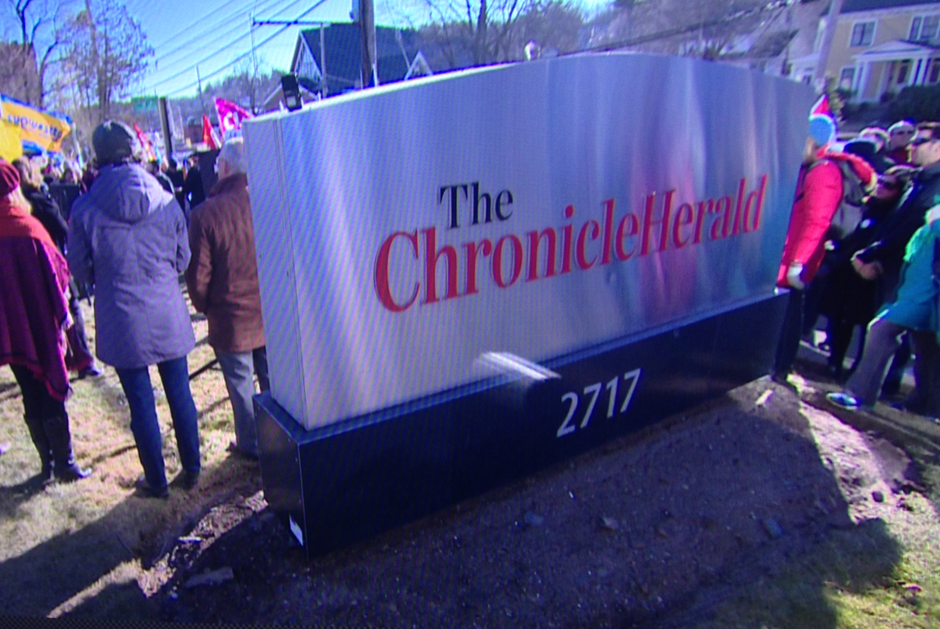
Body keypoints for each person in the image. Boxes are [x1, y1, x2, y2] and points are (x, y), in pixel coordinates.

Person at [67, 120, 201, 499]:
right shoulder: (165, 198)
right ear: (133, 153)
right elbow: (183, 257)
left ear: (98, 157)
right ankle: (192, 467)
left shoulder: (84, 208)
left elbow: (79, 269)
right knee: (180, 392)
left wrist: (103, 277)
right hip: (166, 310)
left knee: (140, 402)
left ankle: (156, 480)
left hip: (121, 315)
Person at [0, 159, 91, 482]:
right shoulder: (30, 229)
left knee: (28, 389)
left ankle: (47, 465)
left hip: (10, 333)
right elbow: (58, 277)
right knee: (49, 387)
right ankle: (64, 464)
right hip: (40, 325)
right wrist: (64, 320)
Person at [772, 114, 875, 384]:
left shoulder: (823, 171)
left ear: (811, 141)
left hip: (796, 257)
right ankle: (776, 363)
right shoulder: (810, 167)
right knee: (786, 309)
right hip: (789, 253)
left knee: (790, 310)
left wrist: (798, 263)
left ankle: (780, 366)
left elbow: (817, 221)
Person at [185, 138, 268, 459]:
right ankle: (281, 440)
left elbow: (198, 276)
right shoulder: (267, 200)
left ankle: (251, 444)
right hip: (268, 312)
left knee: (241, 387)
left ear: (224, 167)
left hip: (231, 319)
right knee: (274, 384)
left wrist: (206, 307)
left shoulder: (205, 214)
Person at [827, 204, 940, 415]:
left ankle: (860, 395)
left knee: (882, 330)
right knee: (927, 349)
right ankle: (926, 406)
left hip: (926, 296)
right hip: (915, 292)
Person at [817, 167, 916, 379]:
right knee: (839, 318)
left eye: (888, 185)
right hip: (848, 270)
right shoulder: (868, 206)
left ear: (899, 191)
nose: (880, 187)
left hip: (872, 276)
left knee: (866, 324)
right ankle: (834, 362)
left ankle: (859, 370)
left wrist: (873, 261)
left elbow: (893, 243)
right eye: (880, 181)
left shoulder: (894, 216)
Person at [12, 157, 102, 378]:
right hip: (51, 264)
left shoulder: (12, 207)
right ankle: (82, 359)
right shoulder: (40, 201)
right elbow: (63, 229)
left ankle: (51, 364)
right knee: (71, 308)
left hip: (25, 271)